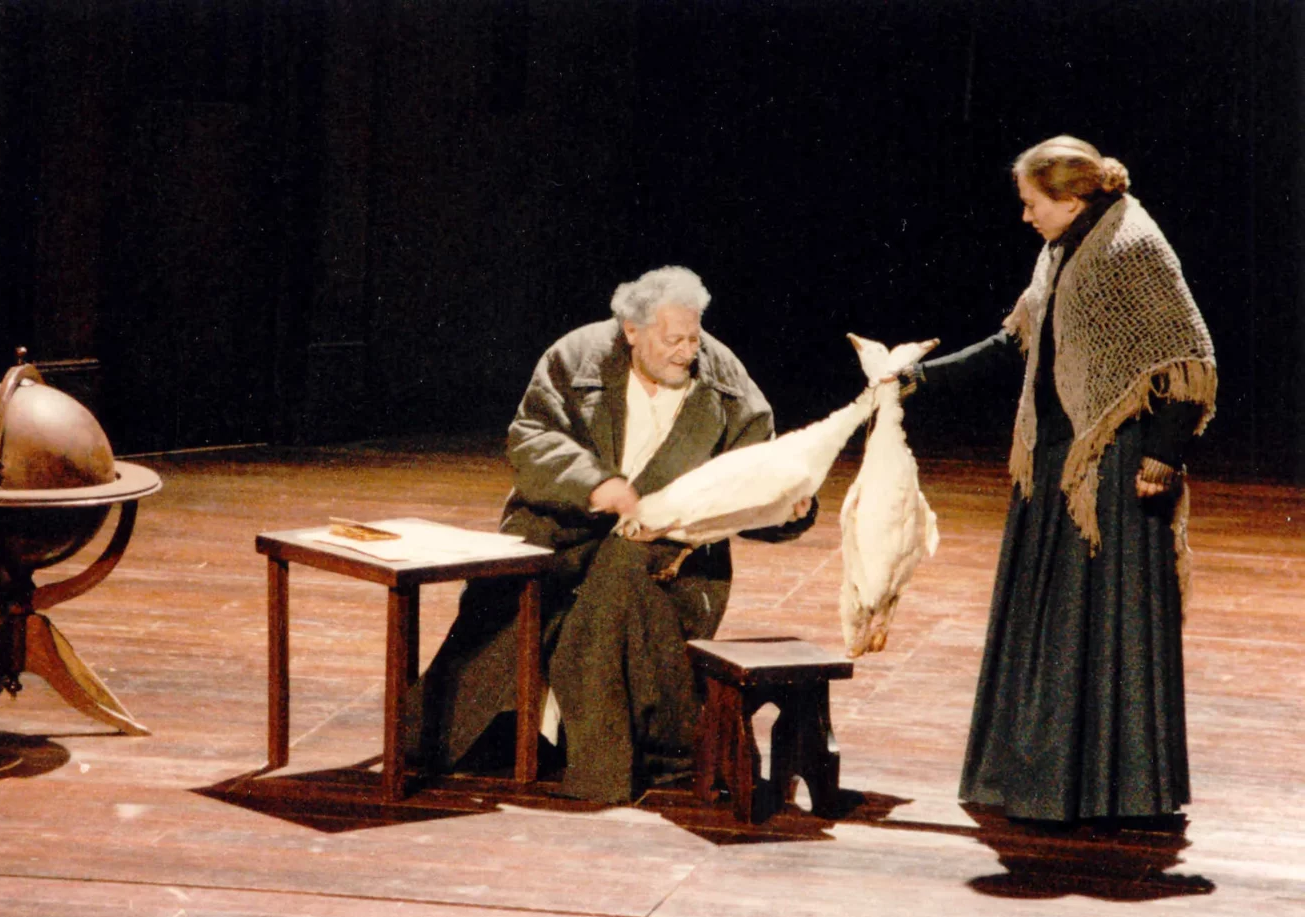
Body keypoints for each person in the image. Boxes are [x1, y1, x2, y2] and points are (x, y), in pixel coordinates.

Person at [406, 266, 817, 803]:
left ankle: (608, 764)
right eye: (672, 339)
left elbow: (752, 479)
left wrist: (787, 509)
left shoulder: (727, 384)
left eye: (694, 337)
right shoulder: (576, 357)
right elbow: (531, 438)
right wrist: (597, 485)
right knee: (509, 615)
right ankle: (462, 737)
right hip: (562, 530)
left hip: (667, 557)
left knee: (611, 599)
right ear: (631, 330)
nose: (687, 351)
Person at [907, 136, 1218, 825]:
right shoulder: (1061, 247)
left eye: (1031, 204)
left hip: (1111, 464)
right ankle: (1032, 780)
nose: (1025, 217)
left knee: (1102, 625)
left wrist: (1163, 456)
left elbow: (1189, 358)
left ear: (1070, 198)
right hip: (1054, 455)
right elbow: (1018, 340)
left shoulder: (1131, 246)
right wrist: (923, 376)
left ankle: (1116, 790)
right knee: (1046, 618)